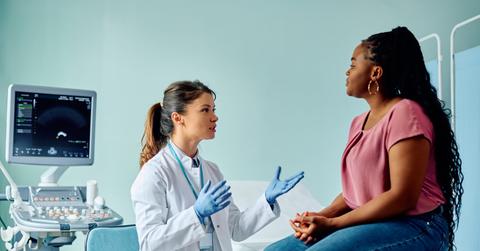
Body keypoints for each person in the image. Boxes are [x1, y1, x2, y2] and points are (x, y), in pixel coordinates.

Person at [265, 26, 463, 251]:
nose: (347, 72)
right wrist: (320, 216)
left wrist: (333, 224)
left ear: (375, 73)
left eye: (352, 65)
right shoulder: (358, 123)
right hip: (375, 223)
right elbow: (355, 194)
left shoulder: (405, 112)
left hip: (417, 225)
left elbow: (403, 197)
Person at [130, 80, 304, 251]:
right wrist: (196, 214)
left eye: (213, 110)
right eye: (205, 110)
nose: (214, 117)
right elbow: (149, 243)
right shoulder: (154, 173)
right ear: (178, 118)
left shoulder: (211, 170)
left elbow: (236, 228)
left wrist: (267, 200)